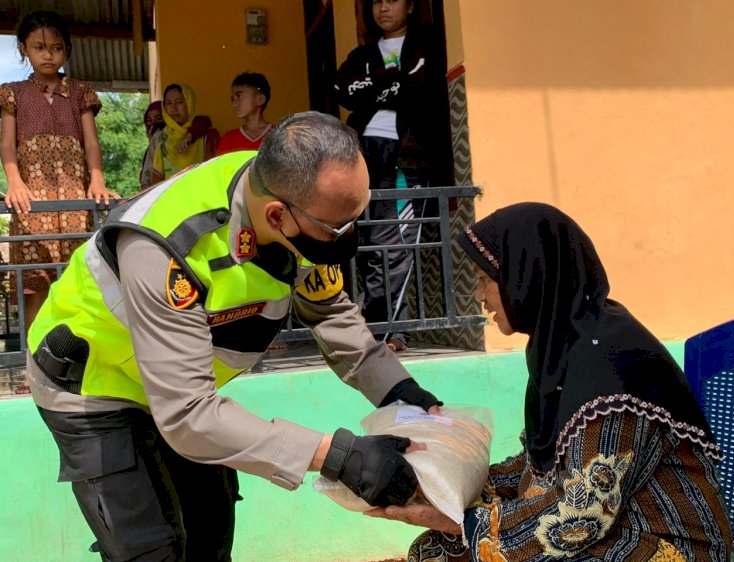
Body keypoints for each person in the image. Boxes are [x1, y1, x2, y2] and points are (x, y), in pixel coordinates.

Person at [26, 111, 443, 561]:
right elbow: (188, 416)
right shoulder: (169, 246)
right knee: (152, 550)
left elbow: (329, 313)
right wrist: (342, 457)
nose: (349, 238)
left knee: (209, 532)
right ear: (277, 215)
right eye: (338, 228)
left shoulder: (293, 194)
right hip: (94, 388)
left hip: (182, 388)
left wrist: (402, 394)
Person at [368, 203, 733, 561]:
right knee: (432, 553)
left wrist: (463, 521)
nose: (479, 297)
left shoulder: (609, 365)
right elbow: (539, 469)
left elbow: (583, 514)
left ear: (528, 276)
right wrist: (443, 487)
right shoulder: (560, 349)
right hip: (609, 530)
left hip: (664, 543)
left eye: (486, 281)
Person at [335, 0, 453, 352]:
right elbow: (341, 92)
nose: (383, 7)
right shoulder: (362, 55)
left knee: (396, 243)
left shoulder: (426, 46)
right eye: (377, 1)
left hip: (406, 157)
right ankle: (377, 328)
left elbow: (417, 88)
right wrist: (389, 84)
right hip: (363, 158)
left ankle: (392, 333)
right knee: (370, 245)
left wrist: (372, 87)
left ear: (411, 5)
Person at [0, 10, 118, 332]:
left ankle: (72, 362)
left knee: (76, 281)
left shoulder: (80, 92)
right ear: (24, 48)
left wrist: (97, 180)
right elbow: (8, 146)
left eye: (56, 47)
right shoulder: (12, 93)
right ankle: (34, 362)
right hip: (31, 203)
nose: (48, 54)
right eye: (39, 46)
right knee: (34, 283)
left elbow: (92, 144)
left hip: (75, 202)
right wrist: (14, 182)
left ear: (66, 49)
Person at [142, 82, 220, 187]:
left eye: (179, 102)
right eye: (168, 103)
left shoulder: (209, 136)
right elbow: (156, 184)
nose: (173, 108)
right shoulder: (161, 139)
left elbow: (218, 175)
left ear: (189, 103)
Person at [216, 72, 273, 156]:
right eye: (233, 99)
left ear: (260, 99)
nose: (234, 104)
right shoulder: (229, 139)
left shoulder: (278, 135)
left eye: (239, 96)